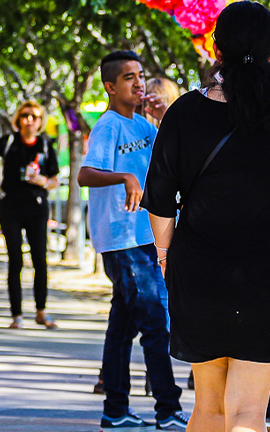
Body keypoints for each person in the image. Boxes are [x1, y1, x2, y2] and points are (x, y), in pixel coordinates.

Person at [144, 1, 270, 432]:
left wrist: (165, 256)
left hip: (199, 272)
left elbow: (161, 201)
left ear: (215, 49)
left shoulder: (183, 112)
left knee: (208, 408)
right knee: (246, 413)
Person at [78, 50, 188, 431]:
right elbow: (85, 174)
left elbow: (175, 156)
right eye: (129, 78)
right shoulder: (109, 126)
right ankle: (168, 411)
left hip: (143, 237)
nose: (139, 83)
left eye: (141, 76)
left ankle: (116, 410)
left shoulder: (143, 125)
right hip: (122, 240)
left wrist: (163, 116)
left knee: (122, 328)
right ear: (110, 87)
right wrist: (124, 177)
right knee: (157, 323)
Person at [0, 101, 61, 330]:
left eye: (34, 116)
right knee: (16, 260)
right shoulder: (9, 142)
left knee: (40, 260)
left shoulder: (45, 145)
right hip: (10, 205)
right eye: (25, 116)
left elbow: (55, 180)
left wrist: (44, 181)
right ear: (18, 119)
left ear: (40, 121)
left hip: (37, 207)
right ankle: (17, 315)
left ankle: (41, 311)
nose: (29, 120)